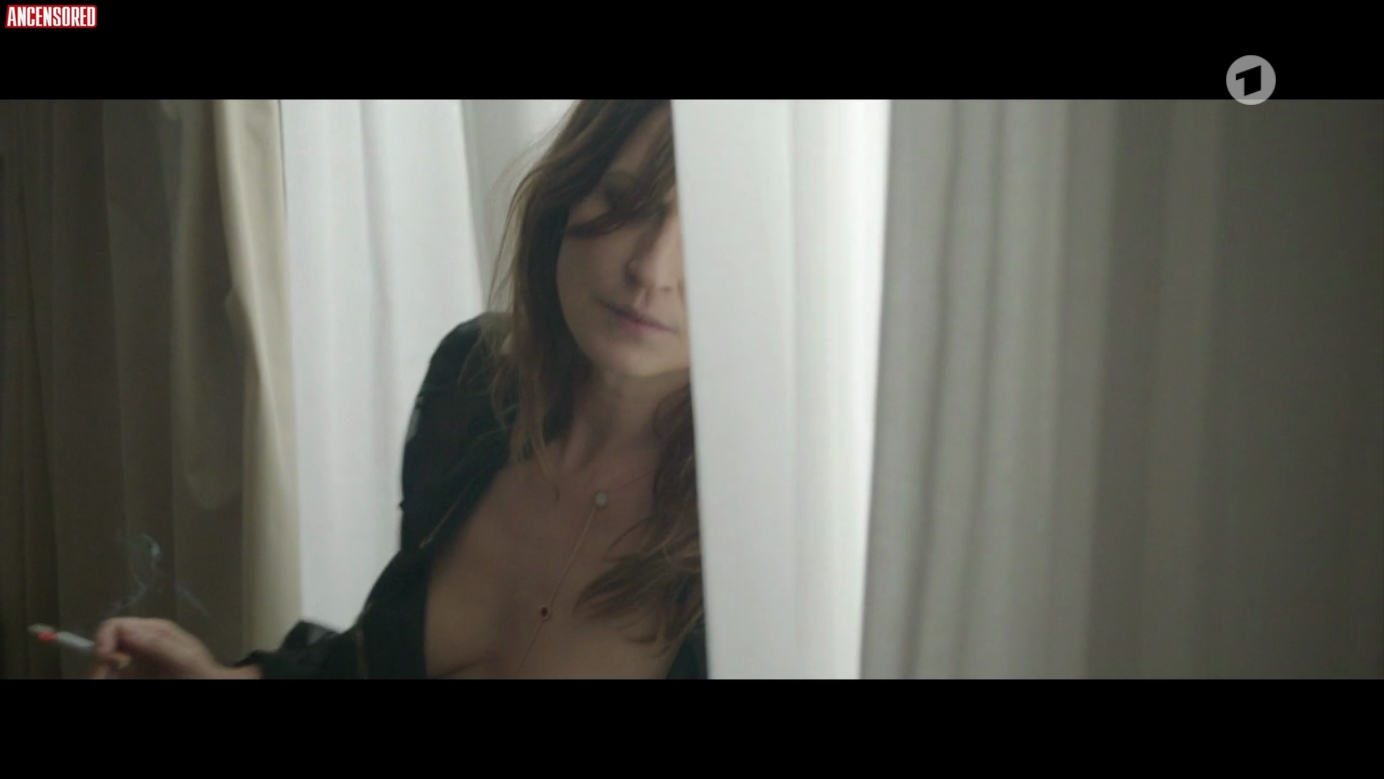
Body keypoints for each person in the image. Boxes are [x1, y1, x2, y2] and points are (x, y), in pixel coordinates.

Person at [90, 99, 707, 679]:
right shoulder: (477, 384)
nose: (651, 269)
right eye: (626, 201)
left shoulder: (750, 523)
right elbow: (376, 659)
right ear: (566, 196)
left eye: (709, 230)